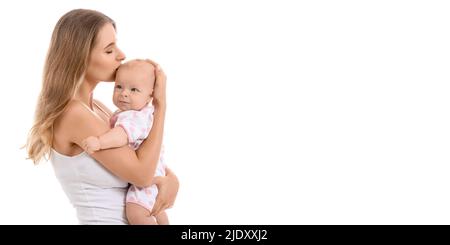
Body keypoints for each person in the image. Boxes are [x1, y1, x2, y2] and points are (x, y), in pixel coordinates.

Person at [25, 9, 179, 225]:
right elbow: (143, 176)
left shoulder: (98, 108)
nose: (122, 55)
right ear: (79, 58)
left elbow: (139, 158)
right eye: (109, 50)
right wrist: (159, 105)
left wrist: (171, 179)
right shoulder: (74, 114)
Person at [81, 59, 169, 225]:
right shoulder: (139, 113)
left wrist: (99, 142)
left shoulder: (134, 117)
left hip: (147, 180)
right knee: (157, 212)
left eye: (134, 89)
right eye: (119, 87)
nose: (124, 93)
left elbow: (122, 135)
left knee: (136, 212)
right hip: (154, 176)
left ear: (150, 95)